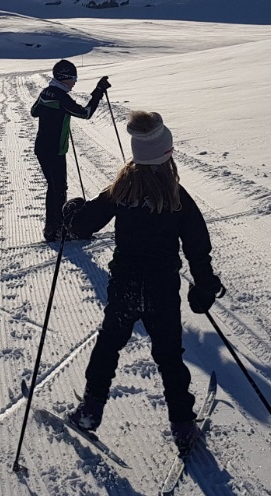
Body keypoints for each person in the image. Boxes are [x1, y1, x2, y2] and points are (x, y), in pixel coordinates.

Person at [61, 110, 225, 455]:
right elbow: (197, 244)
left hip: (125, 285)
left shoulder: (120, 190)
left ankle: (91, 410)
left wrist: (72, 211)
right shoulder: (177, 196)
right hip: (162, 289)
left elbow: (82, 226)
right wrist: (204, 284)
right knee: (169, 356)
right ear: (167, 154)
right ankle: (182, 425)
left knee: (109, 345)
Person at [31, 59, 111, 242]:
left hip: (41, 148)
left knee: (53, 187)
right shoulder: (61, 97)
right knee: (59, 188)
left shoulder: (46, 92)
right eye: (73, 78)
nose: (75, 81)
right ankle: (58, 230)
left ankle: (52, 228)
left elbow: (34, 112)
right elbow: (85, 113)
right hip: (56, 150)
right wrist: (98, 92)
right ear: (64, 77)